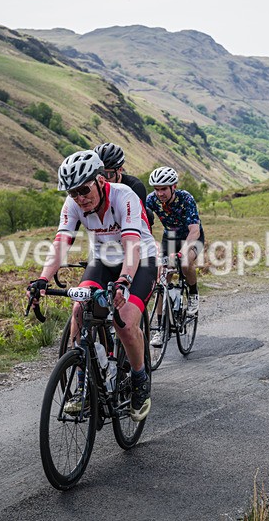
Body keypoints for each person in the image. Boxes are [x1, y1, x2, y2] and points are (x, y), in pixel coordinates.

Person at [26, 150, 156, 422]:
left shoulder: (124, 196)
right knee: (79, 310)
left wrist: (124, 281)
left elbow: (132, 243)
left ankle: (139, 378)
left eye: (84, 190)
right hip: (103, 259)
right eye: (73, 193)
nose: (80, 198)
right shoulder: (73, 203)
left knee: (125, 323)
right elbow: (61, 241)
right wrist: (42, 279)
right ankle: (83, 386)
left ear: (99, 180)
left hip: (139, 261)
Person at [145, 166, 205, 345]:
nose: (160, 193)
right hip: (169, 237)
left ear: (174, 187)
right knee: (163, 277)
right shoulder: (151, 200)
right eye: (156, 189)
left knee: (185, 263)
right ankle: (161, 328)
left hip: (191, 237)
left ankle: (193, 294)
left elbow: (194, 230)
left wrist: (181, 252)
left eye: (164, 189)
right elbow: (142, 223)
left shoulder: (186, 198)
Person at [94, 142, 154, 228]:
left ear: (120, 170)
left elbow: (139, 222)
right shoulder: (93, 186)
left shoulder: (135, 187)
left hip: (130, 227)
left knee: (148, 215)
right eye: (100, 174)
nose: (103, 179)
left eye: (108, 174)